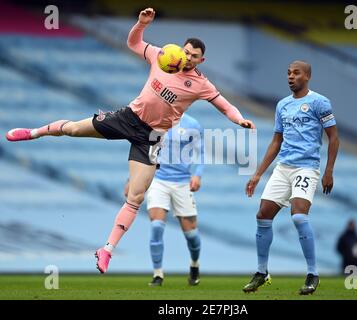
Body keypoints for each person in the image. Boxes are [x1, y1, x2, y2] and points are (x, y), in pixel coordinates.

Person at [5, 7, 255, 274]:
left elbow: (225, 106)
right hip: (128, 117)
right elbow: (134, 43)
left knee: (136, 197)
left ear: (201, 60)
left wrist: (238, 120)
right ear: (180, 50)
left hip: (151, 137)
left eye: (194, 56)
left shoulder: (202, 84)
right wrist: (141, 23)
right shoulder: (162, 56)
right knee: (75, 129)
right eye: (186, 52)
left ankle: (106, 250)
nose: (188, 58)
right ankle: (32, 133)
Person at [242, 60, 339, 295]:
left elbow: (333, 138)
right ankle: (262, 272)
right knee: (262, 215)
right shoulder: (283, 105)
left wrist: (328, 171)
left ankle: (312, 274)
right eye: (288, 73)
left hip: (306, 168)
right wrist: (257, 174)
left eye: (296, 73)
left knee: (298, 217)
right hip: (284, 168)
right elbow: (276, 141)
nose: (290, 76)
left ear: (307, 76)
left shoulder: (319, 102)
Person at [124, 113, 204, 286]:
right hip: (157, 180)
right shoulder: (155, 120)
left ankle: (194, 264)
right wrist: (131, 179)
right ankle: (158, 274)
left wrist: (197, 175)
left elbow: (201, 153)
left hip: (182, 183)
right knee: (157, 226)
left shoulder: (192, 124)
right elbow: (142, 151)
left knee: (191, 235)